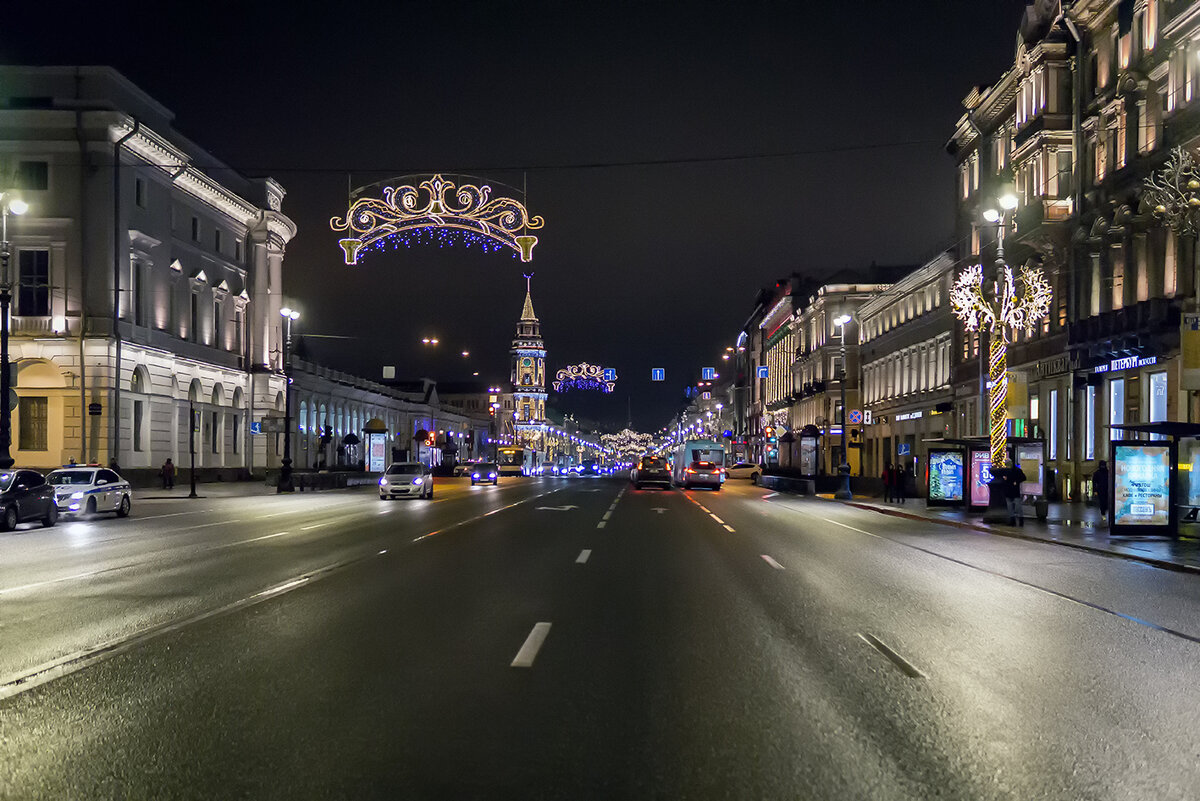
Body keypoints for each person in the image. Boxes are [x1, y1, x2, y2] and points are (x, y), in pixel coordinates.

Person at [1004, 459, 1028, 526]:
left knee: (1013, 506)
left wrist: (1016, 482)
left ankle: (1014, 520)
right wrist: (1017, 482)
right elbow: (1023, 477)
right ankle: (1019, 520)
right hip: (1013, 490)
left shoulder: (1010, 470)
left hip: (1011, 490)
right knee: (1015, 506)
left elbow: (1023, 477)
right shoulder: (1017, 470)